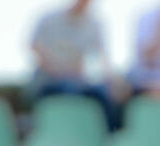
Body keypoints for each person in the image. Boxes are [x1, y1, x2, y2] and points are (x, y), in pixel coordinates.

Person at [29, 0, 120, 131]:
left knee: (104, 96)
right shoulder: (49, 20)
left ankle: (108, 139)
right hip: (48, 82)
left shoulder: (94, 25)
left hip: (79, 82)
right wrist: (61, 69)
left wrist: (113, 83)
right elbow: (36, 49)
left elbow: (101, 60)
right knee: (70, 92)